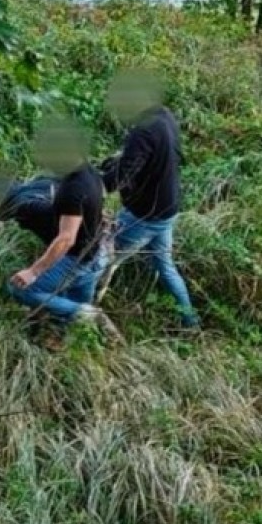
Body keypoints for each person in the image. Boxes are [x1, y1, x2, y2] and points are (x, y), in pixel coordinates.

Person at [98, 69, 200, 329]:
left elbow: (122, 175)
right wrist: (116, 163)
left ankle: (82, 319)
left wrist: (96, 184)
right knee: (165, 266)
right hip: (168, 210)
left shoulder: (142, 132)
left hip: (146, 215)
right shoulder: (164, 116)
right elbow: (142, 161)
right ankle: (190, 322)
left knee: (100, 261)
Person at [1, 119, 119, 340]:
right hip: (95, 254)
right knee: (73, 322)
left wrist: (33, 271)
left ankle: (90, 315)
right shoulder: (89, 172)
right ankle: (86, 343)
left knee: (20, 288)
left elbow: (66, 239)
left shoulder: (72, 189)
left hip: (75, 260)